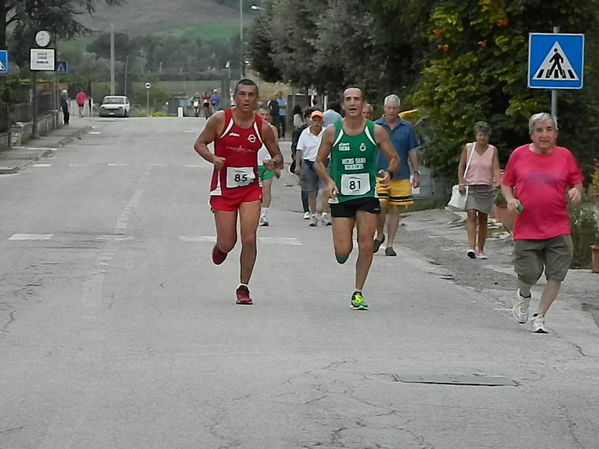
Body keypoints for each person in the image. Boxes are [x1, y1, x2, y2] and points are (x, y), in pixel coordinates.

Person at [193, 79, 283, 305]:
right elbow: (200, 144)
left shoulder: (262, 127)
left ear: (256, 99)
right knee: (228, 242)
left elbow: (278, 156)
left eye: (251, 95)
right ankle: (221, 247)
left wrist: (274, 162)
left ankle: (243, 287)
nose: (246, 99)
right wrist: (213, 158)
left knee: (249, 237)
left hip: (250, 189)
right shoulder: (220, 119)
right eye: (242, 94)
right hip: (223, 189)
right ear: (235, 97)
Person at [314, 86, 399, 310]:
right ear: (343, 104)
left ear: (363, 104)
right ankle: (343, 250)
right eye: (348, 100)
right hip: (341, 197)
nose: (352, 103)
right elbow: (319, 161)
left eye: (357, 100)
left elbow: (393, 158)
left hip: (366, 195)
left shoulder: (375, 131)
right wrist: (329, 181)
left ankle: (358, 292)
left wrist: (388, 173)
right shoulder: (333, 131)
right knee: (343, 252)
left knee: (365, 244)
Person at [502, 112, 583, 333]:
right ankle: (524, 294)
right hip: (527, 227)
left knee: (556, 274)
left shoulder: (565, 156)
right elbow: (506, 183)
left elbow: (576, 181)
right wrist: (510, 200)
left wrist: (576, 190)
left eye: (549, 130)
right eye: (539, 130)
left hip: (558, 227)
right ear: (531, 134)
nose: (544, 134)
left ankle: (540, 316)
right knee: (529, 273)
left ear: (556, 133)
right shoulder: (519, 155)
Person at [373, 94, 420, 256]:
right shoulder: (375, 127)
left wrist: (416, 172)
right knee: (379, 205)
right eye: (389, 108)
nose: (391, 111)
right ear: (384, 109)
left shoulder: (407, 128)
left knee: (395, 209)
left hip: (400, 174)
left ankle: (390, 245)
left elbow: (412, 151)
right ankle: (379, 234)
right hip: (379, 173)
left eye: (394, 108)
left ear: (398, 109)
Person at [457, 121, 500, 259]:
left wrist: (497, 180)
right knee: (471, 215)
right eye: (480, 135)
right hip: (471, 186)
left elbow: (495, 167)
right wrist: (461, 183)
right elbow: (461, 166)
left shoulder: (492, 150)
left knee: (483, 218)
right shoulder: (468, 148)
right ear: (476, 136)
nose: (482, 138)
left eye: (485, 135)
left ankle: (480, 249)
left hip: (486, 186)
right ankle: (471, 247)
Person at [294, 110, 331, 226]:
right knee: (311, 191)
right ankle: (313, 215)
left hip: (324, 163)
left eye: (318, 121)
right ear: (310, 121)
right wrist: (297, 165)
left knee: (325, 190)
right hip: (309, 164)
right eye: (314, 120)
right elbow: (299, 150)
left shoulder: (326, 132)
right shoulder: (305, 133)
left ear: (322, 122)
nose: (316, 123)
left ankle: (325, 214)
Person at [256, 105, 281, 226]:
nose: (265, 117)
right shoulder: (252, 127)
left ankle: (263, 216)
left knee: (266, 189)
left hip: (268, 163)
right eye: (262, 115)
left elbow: (276, 147)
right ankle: (254, 213)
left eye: (267, 115)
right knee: (255, 192)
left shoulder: (273, 129)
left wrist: (277, 165)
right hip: (254, 164)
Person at [291, 107, 313, 219]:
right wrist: (296, 163)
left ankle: (315, 209)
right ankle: (306, 209)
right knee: (305, 186)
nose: (312, 120)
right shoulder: (300, 131)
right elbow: (295, 146)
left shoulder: (325, 131)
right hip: (304, 162)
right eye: (309, 117)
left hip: (319, 162)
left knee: (316, 188)